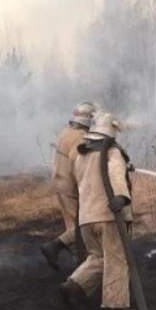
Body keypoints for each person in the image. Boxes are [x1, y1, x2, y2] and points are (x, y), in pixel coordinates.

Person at [59, 111, 135, 310]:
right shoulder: (111, 152)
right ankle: (115, 308)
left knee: (98, 258)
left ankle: (73, 286)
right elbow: (115, 172)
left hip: (86, 219)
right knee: (116, 260)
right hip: (108, 217)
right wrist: (121, 196)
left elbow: (87, 180)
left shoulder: (80, 157)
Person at [41, 101, 99, 271]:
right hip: (71, 186)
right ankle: (54, 247)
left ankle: (79, 261)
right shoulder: (79, 137)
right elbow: (79, 161)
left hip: (60, 183)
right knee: (82, 226)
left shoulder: (65, 131)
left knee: (71, 224)